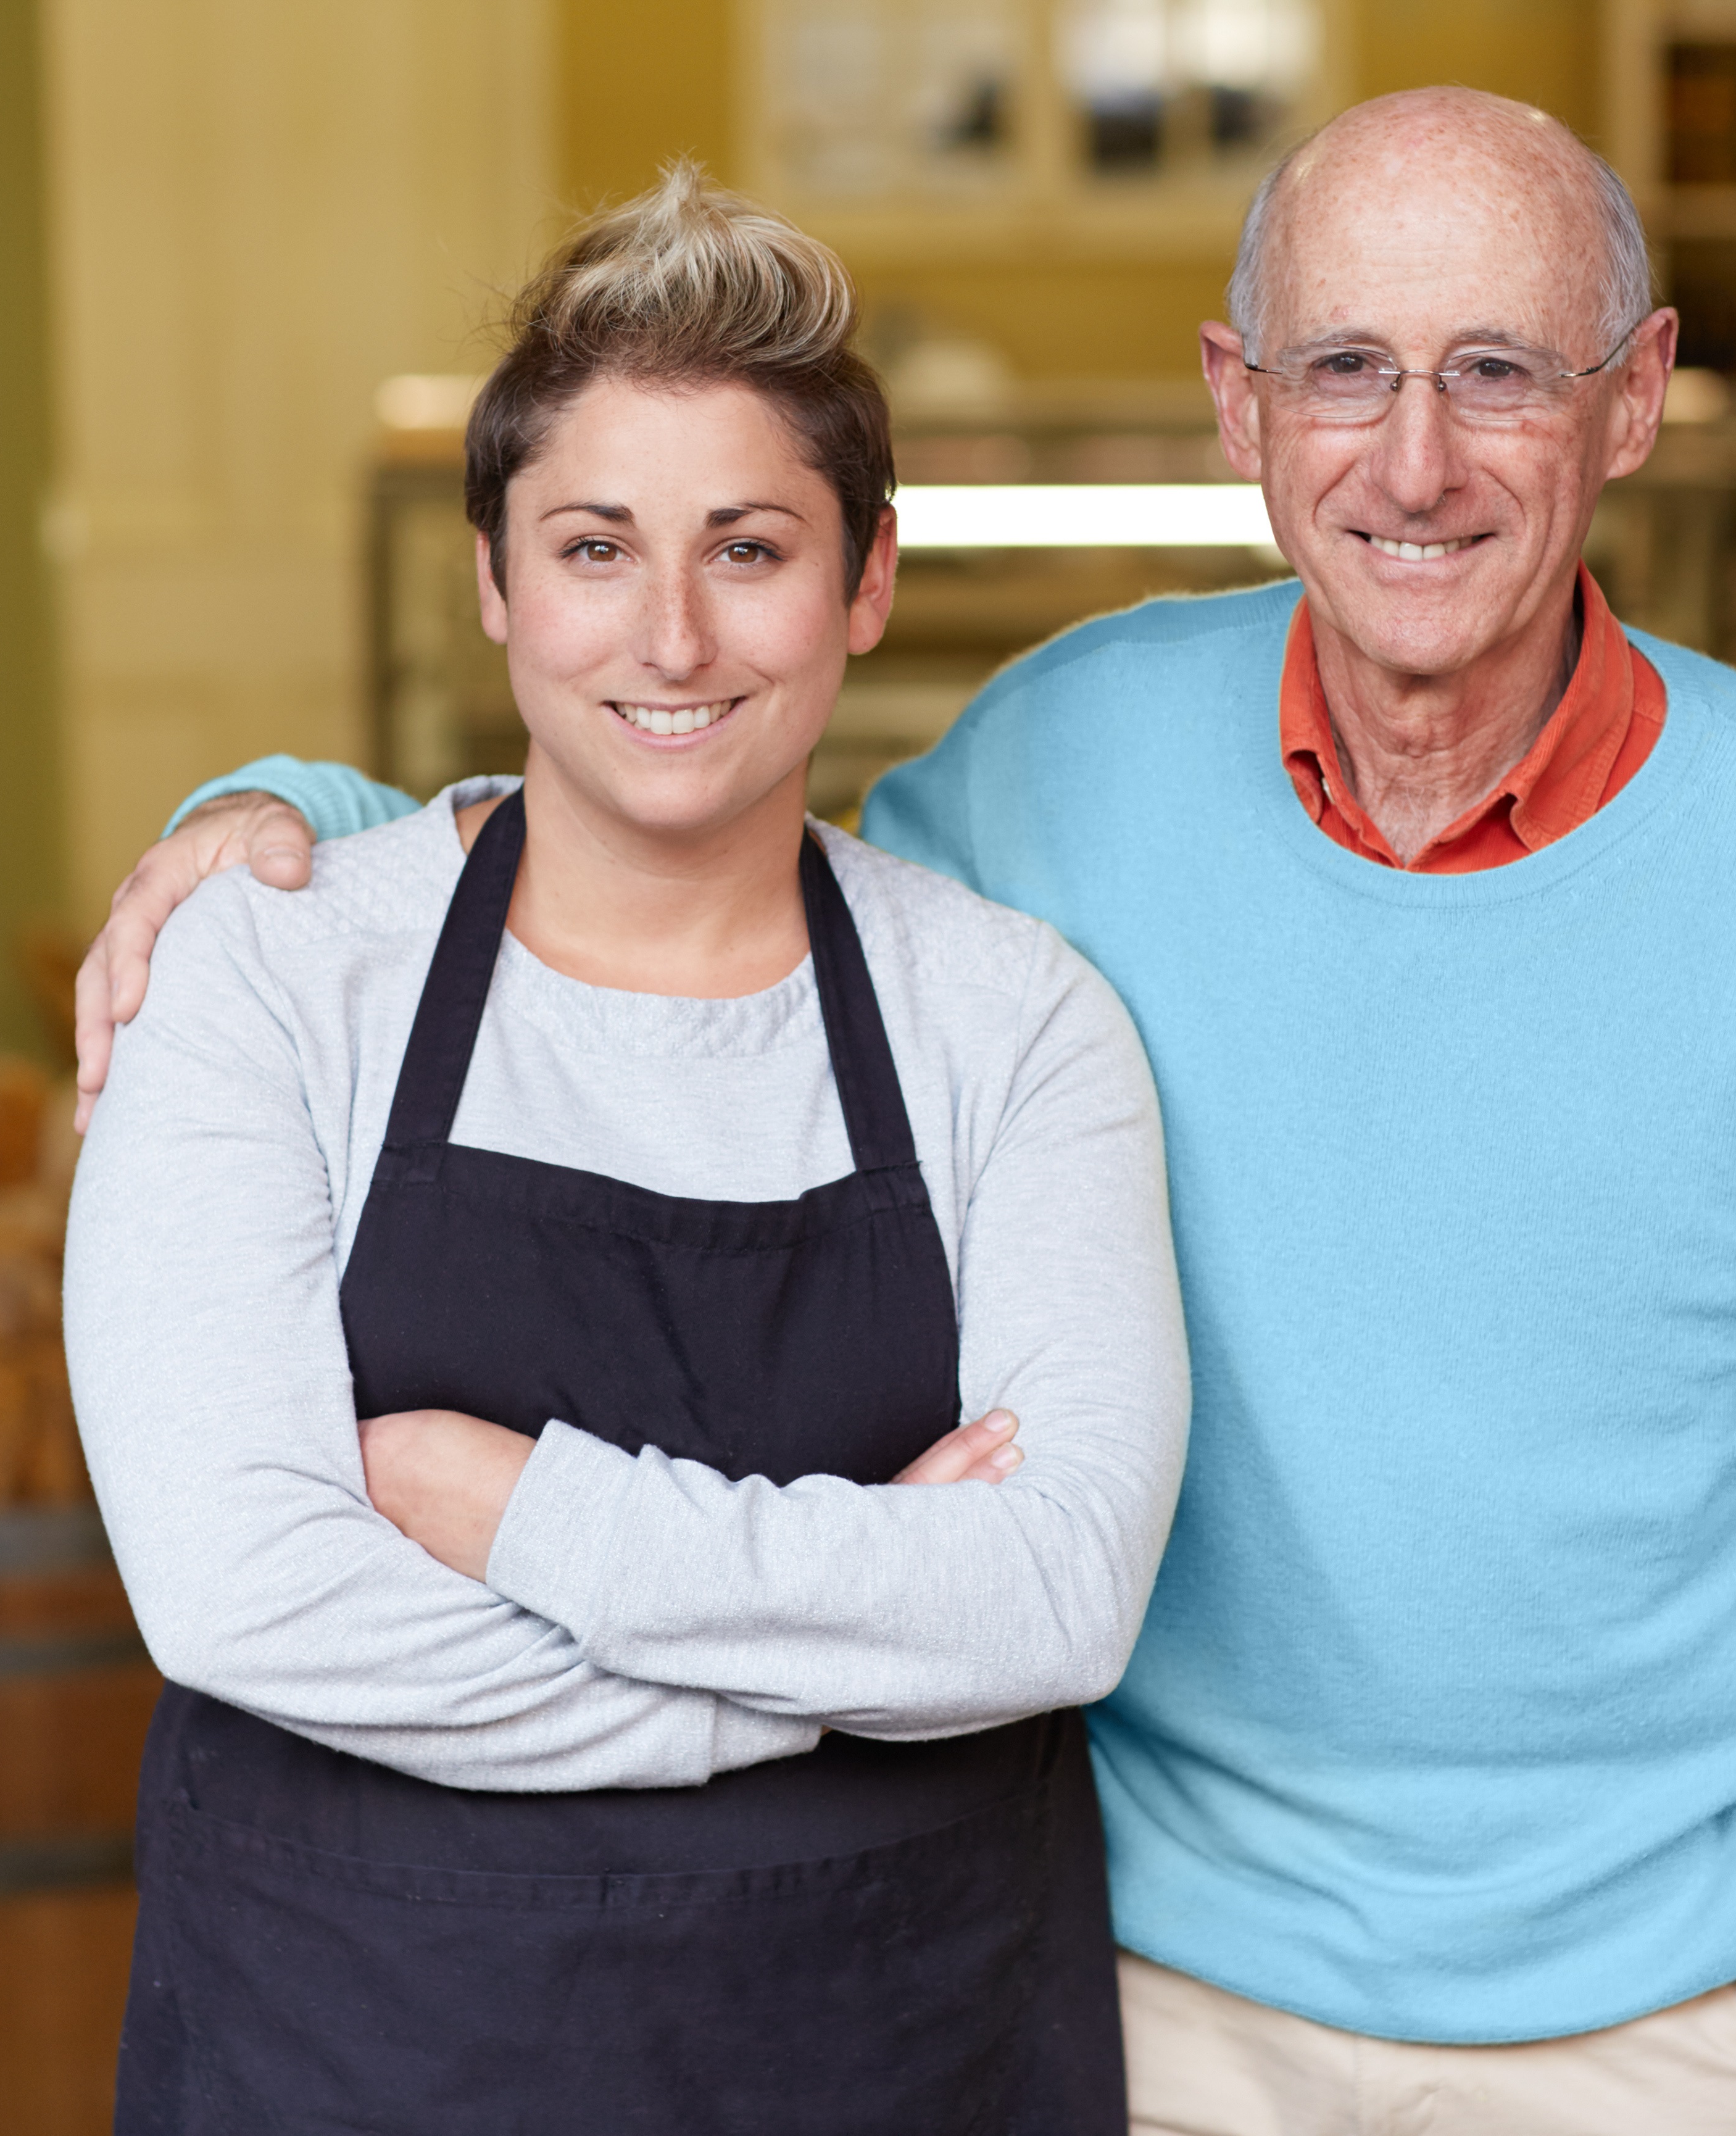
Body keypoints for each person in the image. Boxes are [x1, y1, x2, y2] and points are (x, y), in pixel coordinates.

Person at [78, 92, 1736, 2136]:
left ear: (1636, 398)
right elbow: (696, 858)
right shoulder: (1075, 758)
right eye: (1342, 369)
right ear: (1242, 406)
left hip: (1660, 2017)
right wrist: (294, 842)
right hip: (1146, 1984)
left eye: (1498, 372)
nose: (1414, 461)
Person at [62, 168, 1187, 2135]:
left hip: (899, 2047)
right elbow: (243, 1593)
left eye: (750, 548)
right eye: (595, 547)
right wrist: (825, 1674)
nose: (670, 636)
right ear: (494, 583)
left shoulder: (1018, 1025)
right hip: (361, 2050)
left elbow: (1060, 1596)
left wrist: (519, 1516)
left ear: (870, 584)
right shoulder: (268, 977)